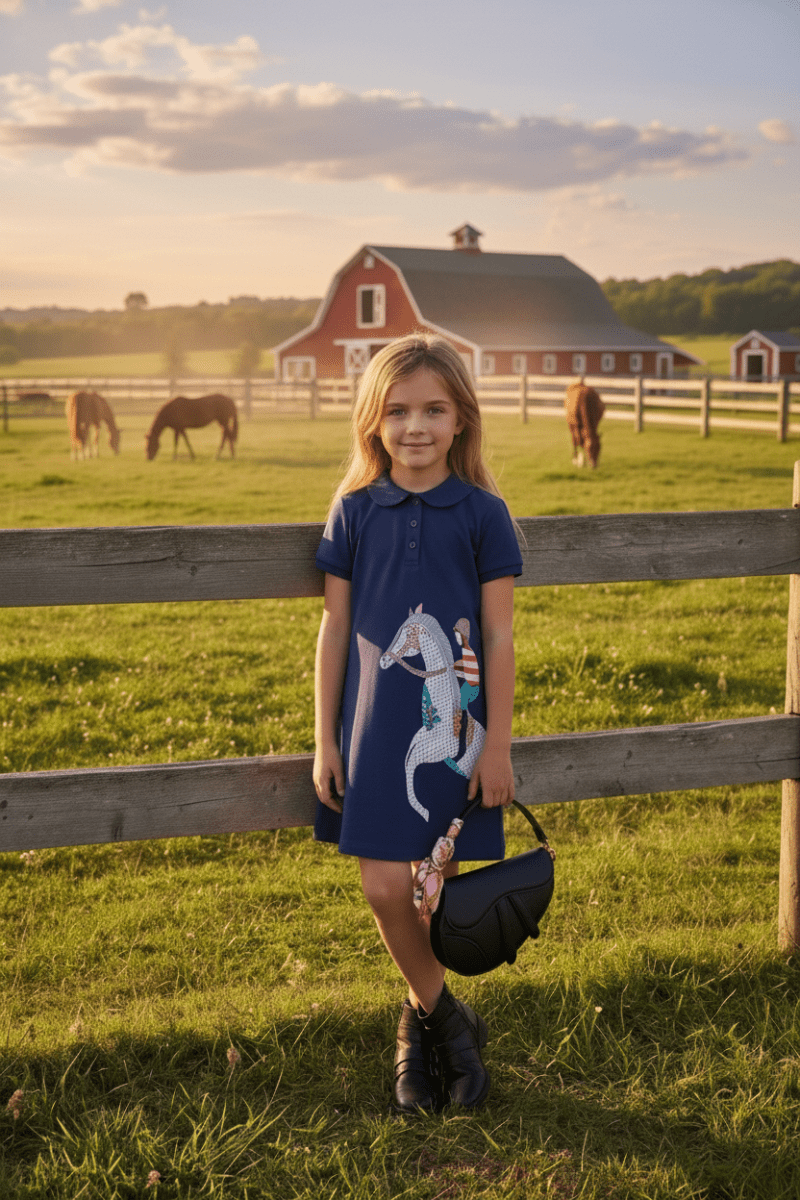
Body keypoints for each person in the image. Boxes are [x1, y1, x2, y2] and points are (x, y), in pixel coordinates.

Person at [312, 333, 523, 1115]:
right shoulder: (355, 509)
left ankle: (416, 1030)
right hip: (371, 726)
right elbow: (334, 630)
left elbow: (498, 634)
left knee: (437, 893)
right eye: (398, 411)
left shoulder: (484, 513)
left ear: (462, 419)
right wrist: (324, 737)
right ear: (373, 421)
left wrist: (496, 743)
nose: (416, 427)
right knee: (381, 885)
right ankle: (446, 1024)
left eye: (434, 409)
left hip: (456, 732)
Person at [565, 375, 605, 468]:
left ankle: (588, 457)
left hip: (586, 423)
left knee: (584, 431)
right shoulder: (573, 391)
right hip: (580, 419)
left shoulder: (590, 395)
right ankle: (581, 455)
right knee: (579, 432)